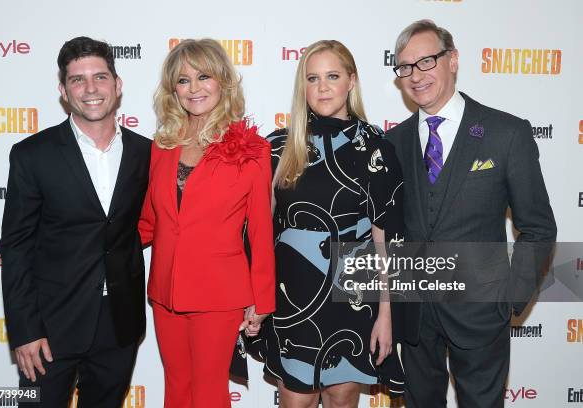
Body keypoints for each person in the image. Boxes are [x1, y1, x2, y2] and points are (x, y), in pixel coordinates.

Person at [386, 20, 557, 408]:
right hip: (414, 320)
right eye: (406, 67)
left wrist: (510, 300)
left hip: (481, 315)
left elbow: (538, 227)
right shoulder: (393, 142)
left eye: (426, 61)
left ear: (453, 60)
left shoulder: (506, 133)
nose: (416, 76)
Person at [0, 36, 151, 407]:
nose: (90, 89)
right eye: (77, 80)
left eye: (100, 77)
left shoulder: (146, 153)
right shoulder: (31, 155)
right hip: (49, 327)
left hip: (119, 323)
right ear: (64, 91)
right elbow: (16, 247)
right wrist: (25, 331)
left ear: (117, 85)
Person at [260, 40, 405, 408]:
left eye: (333, 76)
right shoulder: (278, 147)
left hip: (352, 300)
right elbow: (260, 234)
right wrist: (254, 299)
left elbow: (385, 240)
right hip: (293, 299)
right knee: (296, 402)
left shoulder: (374, 147)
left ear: (351, 81)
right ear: (302, 87)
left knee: (342, 399)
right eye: (313, 78)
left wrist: (386, 313)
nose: (322, 87)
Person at [138, 38, 275, 408]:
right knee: (176, 389)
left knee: (209, 393)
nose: (194, 88)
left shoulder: (252, 149)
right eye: (183, 80)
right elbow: (149, 222)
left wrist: (262, 299)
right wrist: (94, 245)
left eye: (203, 76)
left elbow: (262, 229)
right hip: (166, 290)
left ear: (222, 82)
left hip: (219, 292)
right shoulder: (162, 146)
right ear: (173, 90)